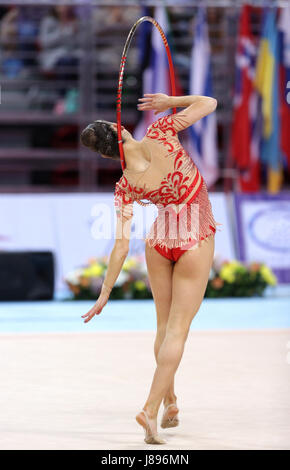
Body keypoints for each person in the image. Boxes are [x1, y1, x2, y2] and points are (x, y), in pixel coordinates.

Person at [80, 93, 220, 445]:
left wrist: (105, 292)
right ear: (120, 128)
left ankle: (171, 402)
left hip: (159, 242)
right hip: (193, 234)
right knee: (178, 331)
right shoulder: (161, 131)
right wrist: (172, 100)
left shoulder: (125, 186)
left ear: (107, 154)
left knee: (163, 326)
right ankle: (150, 407)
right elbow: (209, 103)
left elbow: (121, 245)